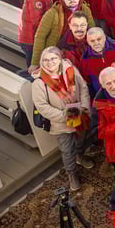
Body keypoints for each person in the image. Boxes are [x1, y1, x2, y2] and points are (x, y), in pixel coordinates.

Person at [31, 47, 93, 191]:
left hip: (79, 114)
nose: (50, 63)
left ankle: (80, 156)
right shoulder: (39, 83)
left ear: (59, 59)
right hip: (61, 122)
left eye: (53, 58)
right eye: (45, 60)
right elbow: (42, 107)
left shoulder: (70, 69)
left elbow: (83, 87)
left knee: (80, 140)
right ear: (41, 63)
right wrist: (63, 116)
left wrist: (84, 106)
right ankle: (72, 173)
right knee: (67, 150)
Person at [31, 0, 94, 67]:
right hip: (57, 51)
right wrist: (35, 63)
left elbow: (92, 30)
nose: (72, 0)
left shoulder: (85, 10)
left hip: (78, 50)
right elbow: (40, 37)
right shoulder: (52, 13)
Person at [78, 26, 115, 95]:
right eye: (92, 41)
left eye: (99, 39)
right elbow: (88, 83)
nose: (96, 43)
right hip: (103, 96)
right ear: (88, 42)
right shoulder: (85, 59)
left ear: (104, 38)